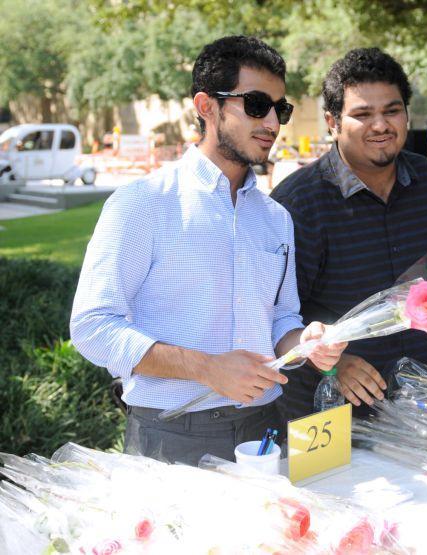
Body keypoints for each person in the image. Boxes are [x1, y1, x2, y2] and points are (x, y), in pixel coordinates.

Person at [70, 36, 346, 466]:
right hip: (172, 433)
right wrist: (207, 368)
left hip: (266, 428)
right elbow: (92, 326)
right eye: (256, 103)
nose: (272, 122)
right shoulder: (143, 203)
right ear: (206, 106)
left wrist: (306, 342)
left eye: (281, 108)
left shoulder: (276, 218)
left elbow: (281, 319)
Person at [270, 48, 427, 421]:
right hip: (327, 415)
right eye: (362, 114)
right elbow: (274, 316)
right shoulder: (297, 204)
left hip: (416, 404)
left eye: (392, 111)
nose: (380, 126)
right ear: (332, 122)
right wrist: (330, 363)